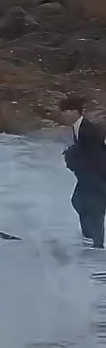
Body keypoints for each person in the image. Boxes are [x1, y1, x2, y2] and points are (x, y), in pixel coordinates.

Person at [60, 96, 106, 249]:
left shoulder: (88, 129)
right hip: (88, 175)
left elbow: (96, 153)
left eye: (65, 112)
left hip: (96, 175)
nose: (62, 115)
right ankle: (90, 238)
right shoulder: (78, 127)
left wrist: (72, 157)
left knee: (94, 208)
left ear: (75, 111)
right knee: (79, 202)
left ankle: (96, 244)